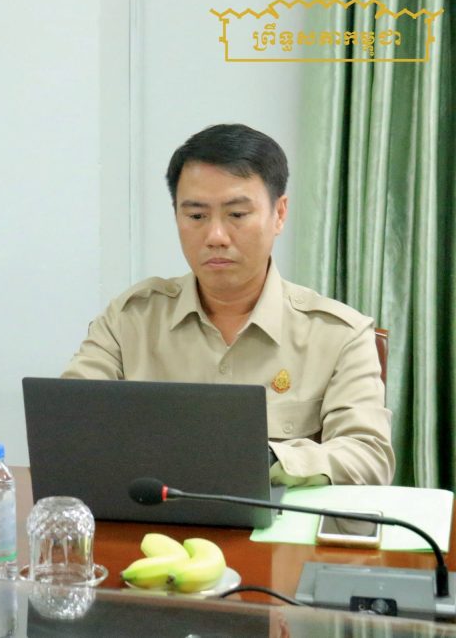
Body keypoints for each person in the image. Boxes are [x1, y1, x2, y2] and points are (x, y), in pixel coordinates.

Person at [62, 123, 394, 486]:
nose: (216, 236)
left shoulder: (338, 334)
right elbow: (67, 427)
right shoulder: (130, 320)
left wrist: (263, 459)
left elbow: (368, 456)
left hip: (277, 521)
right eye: (196, 216)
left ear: (279, 214)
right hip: (152, 516)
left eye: (236, 215)